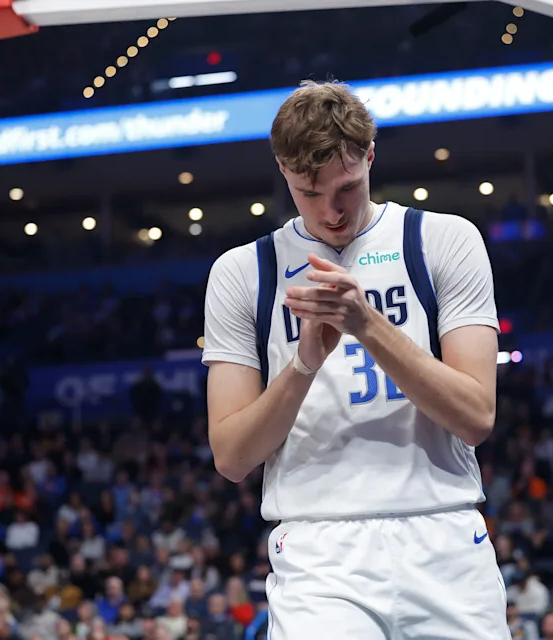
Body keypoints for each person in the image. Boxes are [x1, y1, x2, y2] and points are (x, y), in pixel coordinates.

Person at [202, 79, 509, 639]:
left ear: (370, 155)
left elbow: (476, 417)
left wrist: (366, 325)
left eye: (345, 187)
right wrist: (303, 364)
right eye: (308, 193)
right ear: (283, 170)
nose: (332, 211)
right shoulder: (243, 272)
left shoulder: (443, 240)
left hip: (442, 532)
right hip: (319, 548)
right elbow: (232, 457)